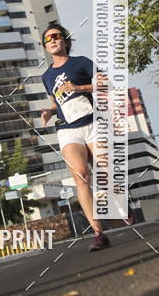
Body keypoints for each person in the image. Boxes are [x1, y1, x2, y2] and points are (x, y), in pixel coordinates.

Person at [41, 24, 120, 251]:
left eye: (57, 37)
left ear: (65, 40)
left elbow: (106, 84)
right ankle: (98, 233)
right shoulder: (46, 76)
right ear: (46, 46)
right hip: (68, 129)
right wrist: (49, 111)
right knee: (81, 176)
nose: (53, 41)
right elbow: (59, 104)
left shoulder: (81, 62)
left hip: (93, 124)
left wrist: (79, 87)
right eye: (48, 39)